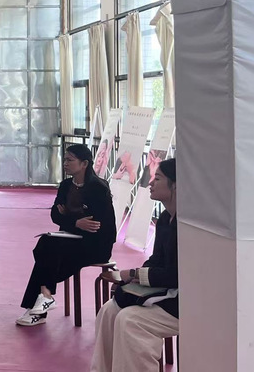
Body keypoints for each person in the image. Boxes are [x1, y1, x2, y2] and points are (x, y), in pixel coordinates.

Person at [16, 143, 117, 326]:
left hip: (96, 244)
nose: (65, 163)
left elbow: (97, 225)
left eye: (70, 160)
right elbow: (55, 215)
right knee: (47, 243)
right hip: (71, 238)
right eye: (65, 159)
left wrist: (68, 217)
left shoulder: (98, 188)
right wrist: (77, 222)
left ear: (84, 164)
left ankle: (39, 306)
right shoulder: (65, 186)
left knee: (46, 252)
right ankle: (44, 297)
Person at [91, 159, 178, 372]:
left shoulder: (188, 225)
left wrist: (136, 274)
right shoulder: (165, 218)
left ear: (176, 185)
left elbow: (178, 275)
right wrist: (134, 278)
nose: (151, 183)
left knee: (131, 321)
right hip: (167, 291)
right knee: (109, 311)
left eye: (158, 179)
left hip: (186, 301)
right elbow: (156, 260)